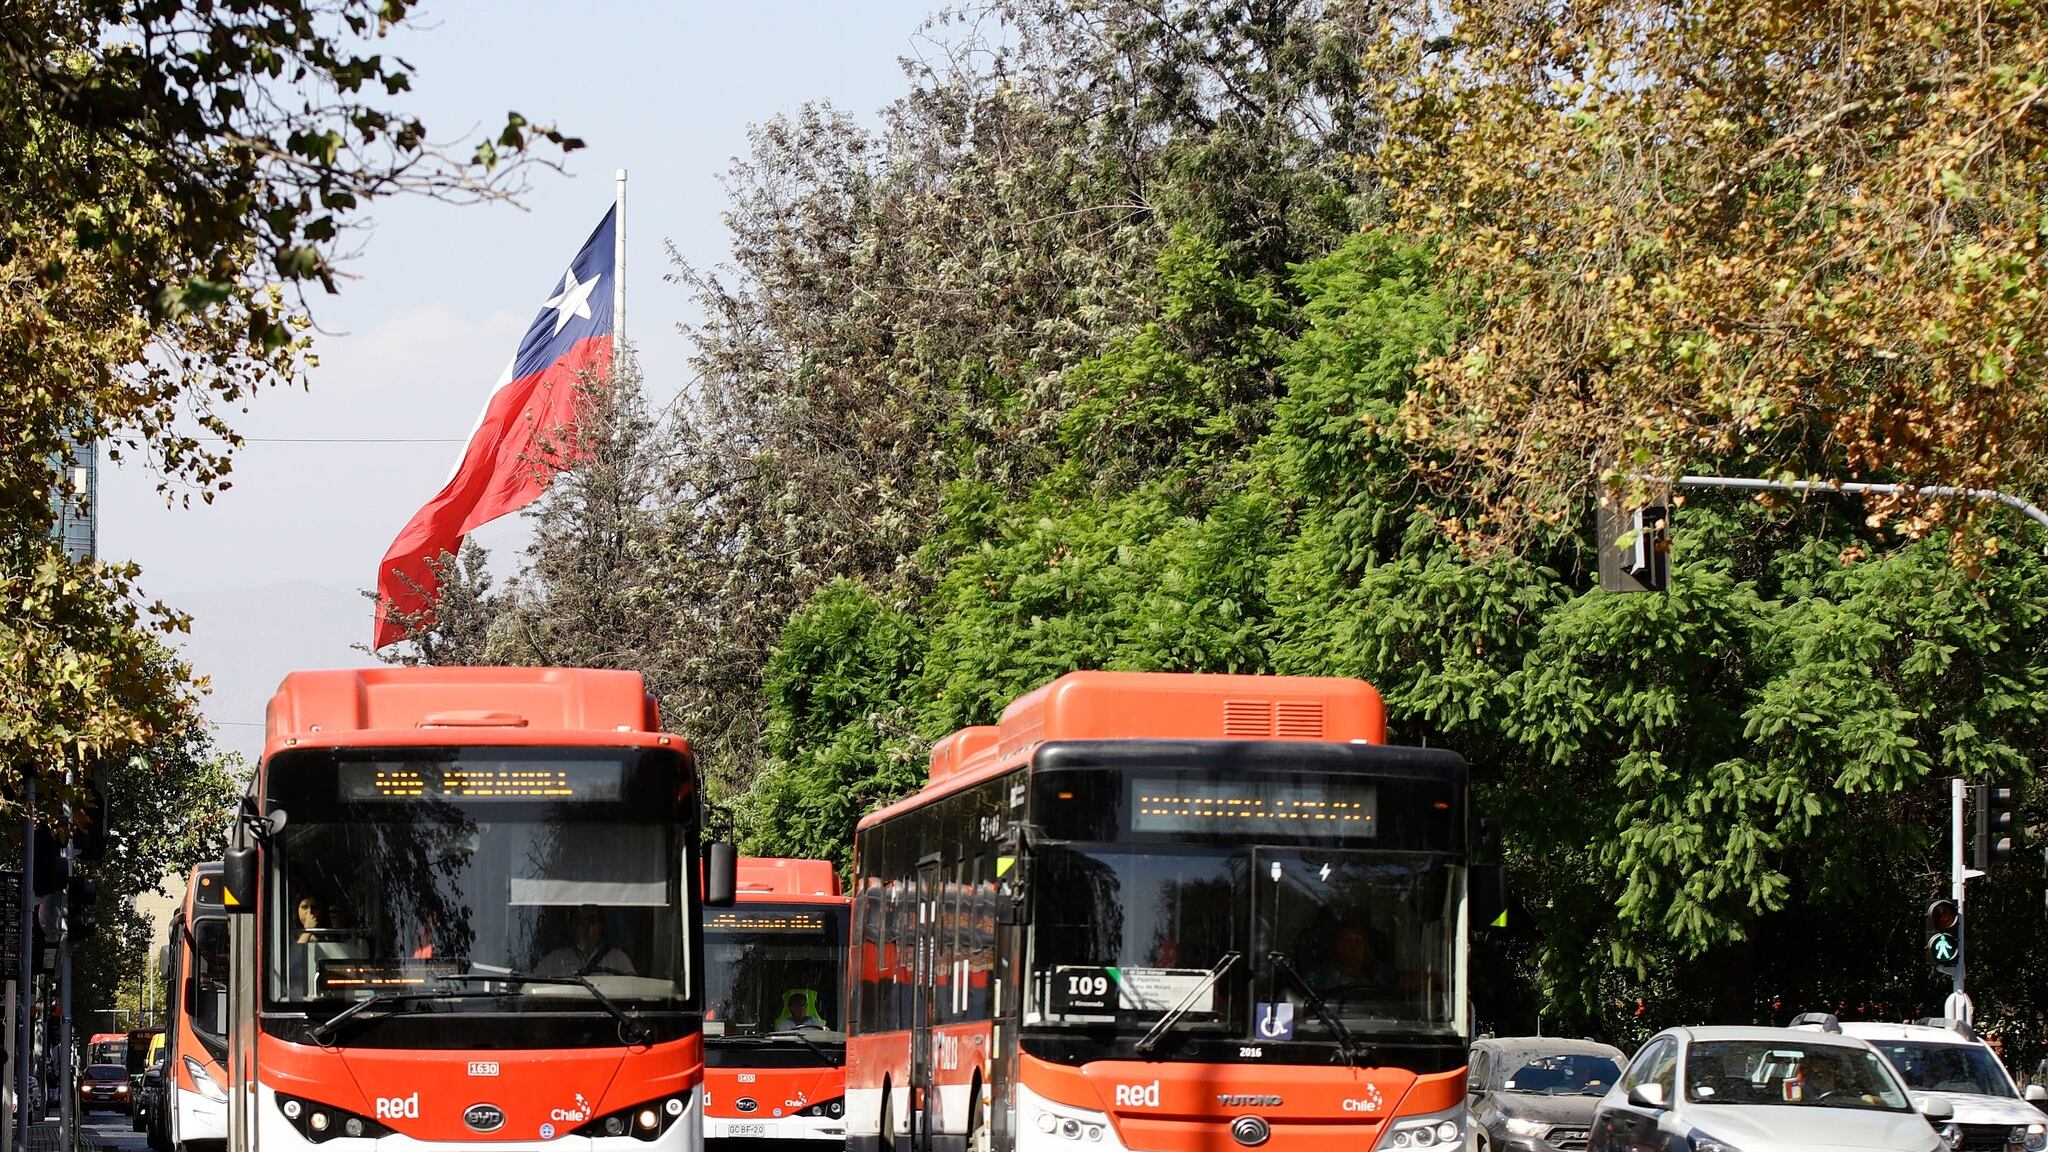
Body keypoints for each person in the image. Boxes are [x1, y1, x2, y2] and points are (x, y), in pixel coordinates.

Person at [536, 905, 635, 977]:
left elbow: (632, 991)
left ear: (600, 925)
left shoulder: (619, 960)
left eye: (591, 921)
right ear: (572, 926)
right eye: (580, 921)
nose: (586, 927)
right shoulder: (554, 960)